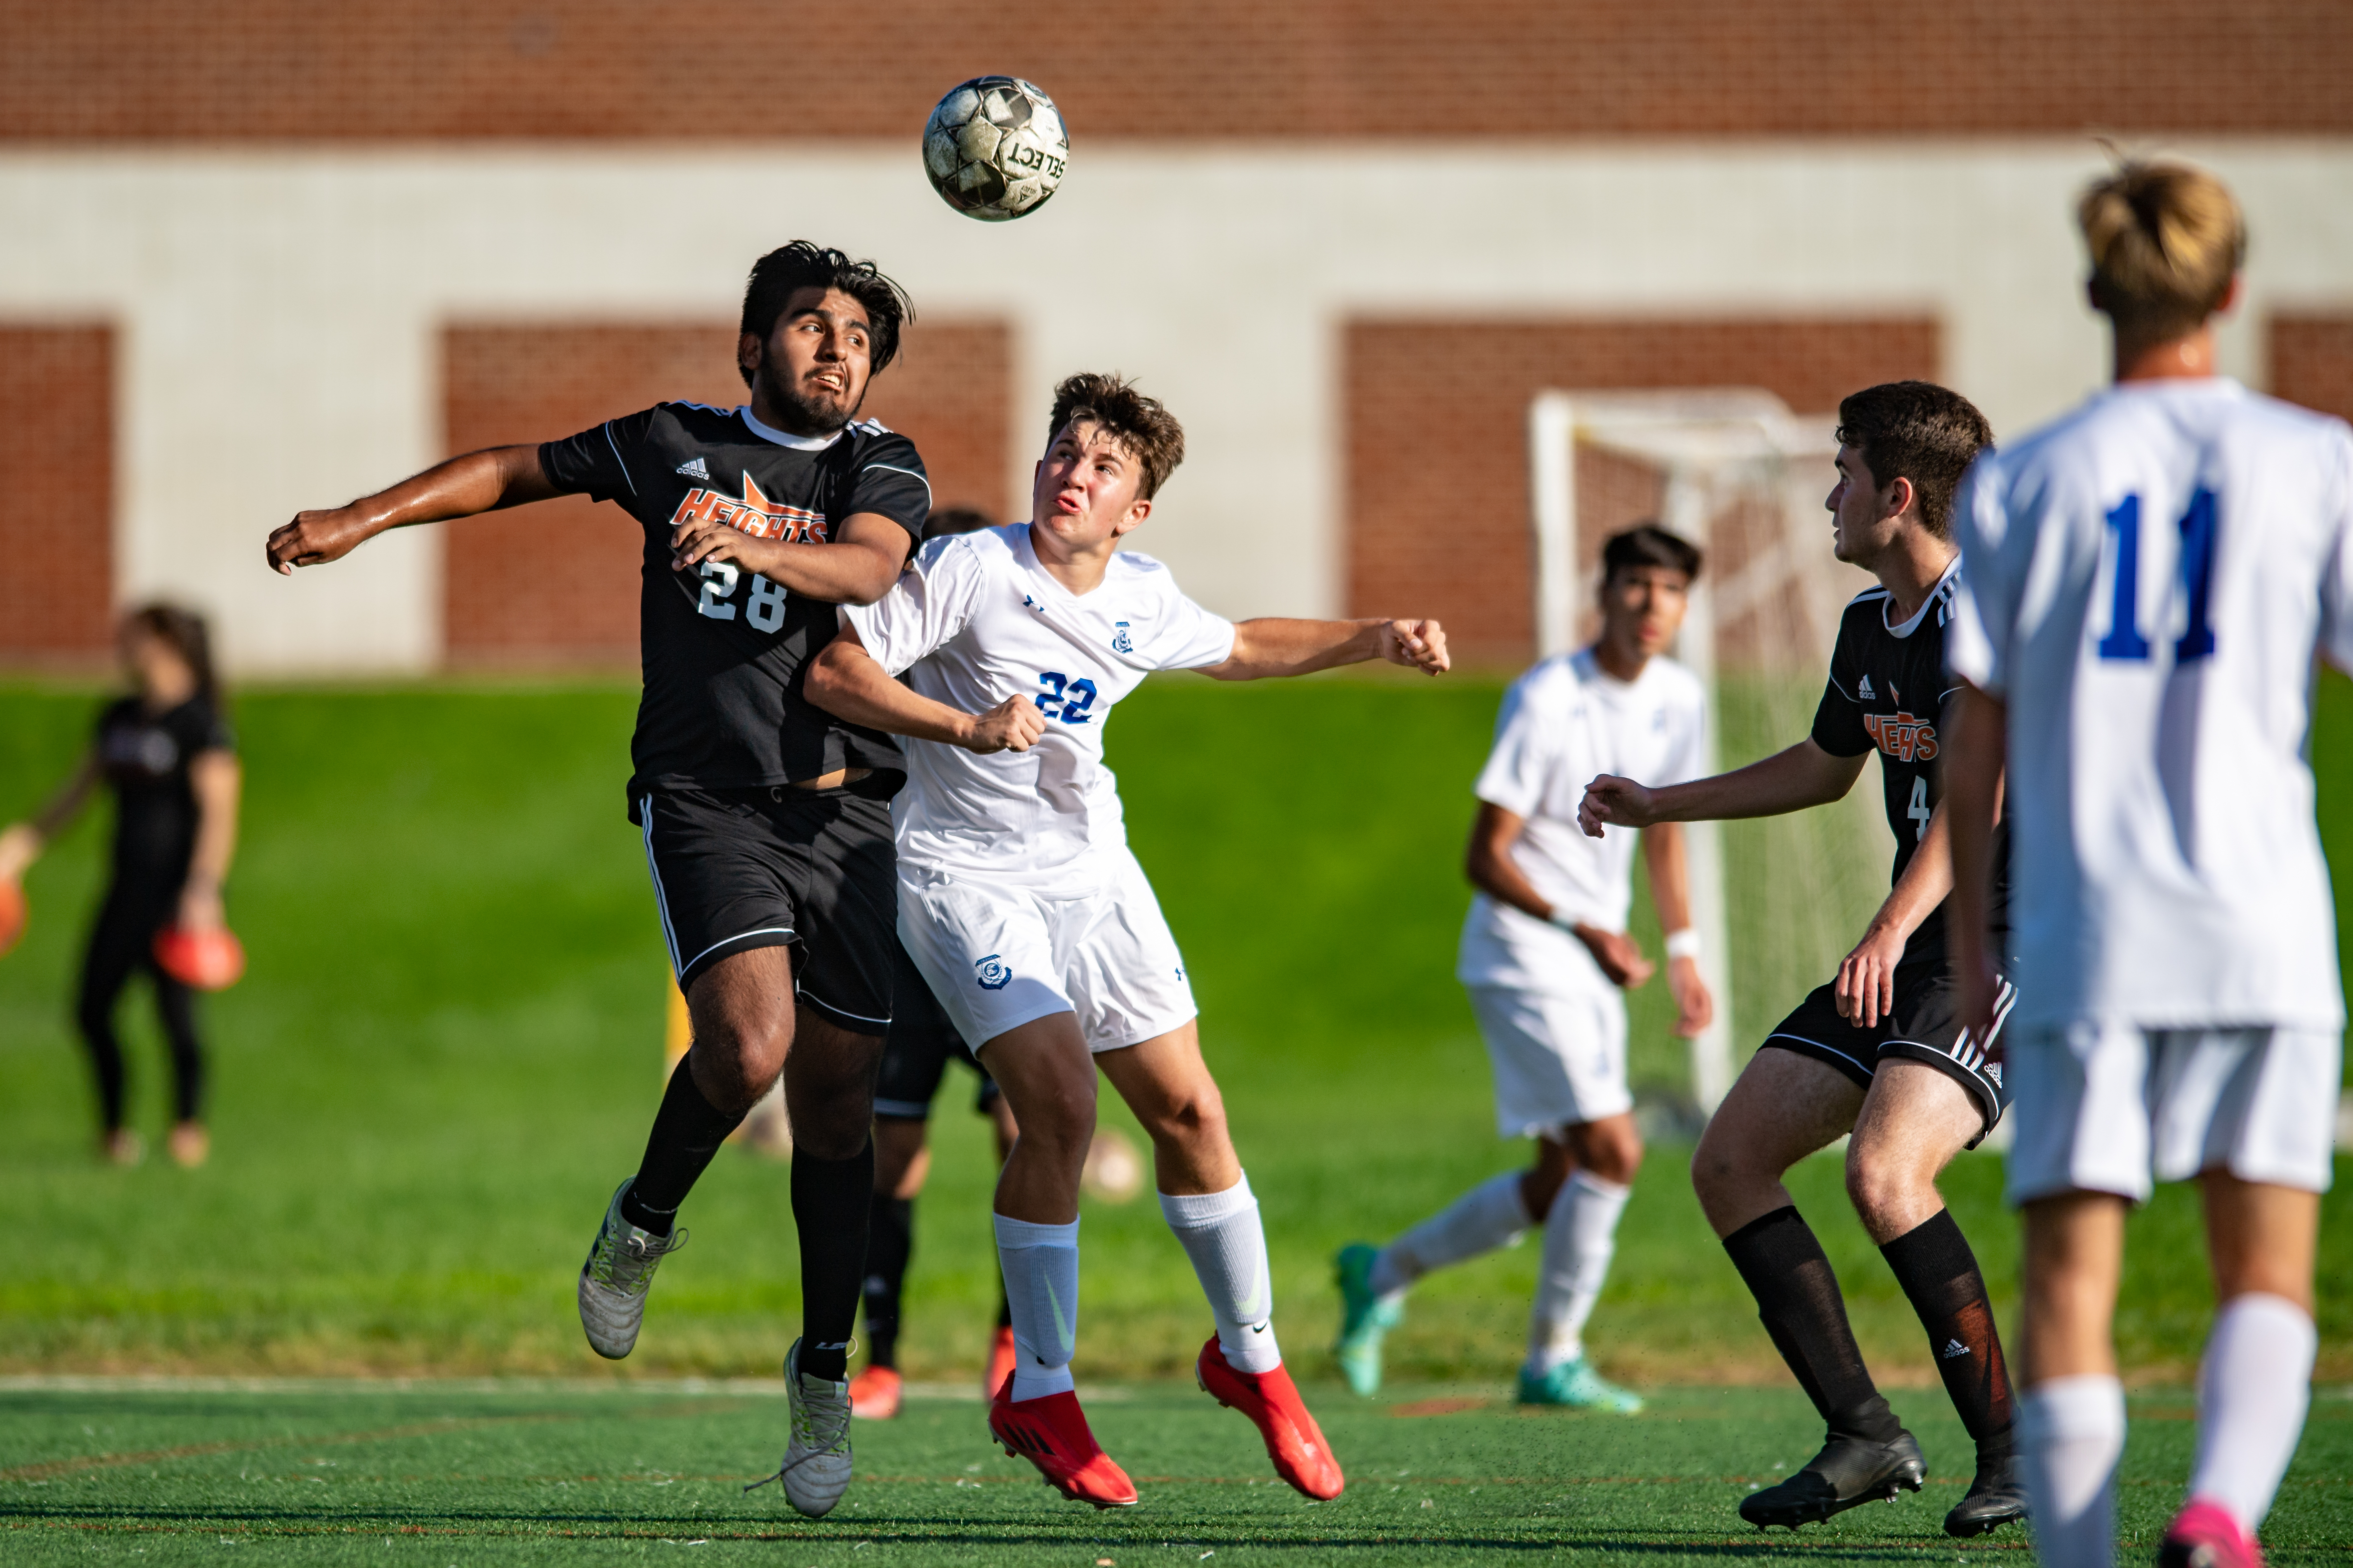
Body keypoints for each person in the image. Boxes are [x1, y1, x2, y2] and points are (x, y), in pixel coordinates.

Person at [264, 242, 929, 1520]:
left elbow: (866, 566)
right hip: (702, 801)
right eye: (808, 324)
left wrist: (749, 537)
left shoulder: (874, 464)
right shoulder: (670, 442)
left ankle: (823, 1367)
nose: (835, 346)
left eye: (856, 332)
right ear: (751, 346)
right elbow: (515, 467)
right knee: (747, 1047)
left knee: (840, 1111)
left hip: (846, 813)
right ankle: (642, 1217)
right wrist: (362, 516)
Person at [805, 372, 1449, 1507]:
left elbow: (1239, 644)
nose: (1073, 472)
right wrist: (961, 722)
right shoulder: (971, 568)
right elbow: (836, 667)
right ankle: (1038, 1388)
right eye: (1063, 449)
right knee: (1057, 1103)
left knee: (1193, 1111)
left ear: (1131, 511)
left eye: (1102, 466)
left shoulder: (1139, 593)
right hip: (964, 876)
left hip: (1094, 876)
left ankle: (1248, 1356)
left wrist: (1372, 637)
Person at [1944, 161, 2346, 1568]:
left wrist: (1967, 945)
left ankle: (2078, 1559)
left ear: (2089, 292)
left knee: (2066, 1273)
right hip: (2261, 928)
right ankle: (2216, 1513)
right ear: (2231, 292)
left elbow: (1967, 734)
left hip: (2079, 931)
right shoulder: (2315, 460)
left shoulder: (2019, 482)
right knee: (2266, 1267)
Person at [1580, 382, 2026, 1538]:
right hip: (1910, 934)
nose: (1823, 494)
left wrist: (1883, 929)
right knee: (1729, 1157)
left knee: (1884, 1172)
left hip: (2004, 937)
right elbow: (1824, 766)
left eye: (1838, 472)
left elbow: (1974, 802)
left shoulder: (1982, 615)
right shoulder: (1864, 625)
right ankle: (1863, 1431)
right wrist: (1654, 804)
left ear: (1893, 492)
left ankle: (2011, 1450)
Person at [1332, 524, 1714, 1412]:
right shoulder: (1547, 696)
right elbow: (1484, 857)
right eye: (1635, 584)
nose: (1650, 604)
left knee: (1559, 1179)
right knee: (1614, 1150)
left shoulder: (1681, 699)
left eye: (1669, 590)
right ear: (1604, 590)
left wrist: (1684, 952)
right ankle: (1552, 1359)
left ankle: (1379, 1274)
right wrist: (1586, 927)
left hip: (1593, 957)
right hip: (1521, 952)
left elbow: (1661, 833)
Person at [850, 502, 1021, 1422]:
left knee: (1028, 1133)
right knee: (895, 1159)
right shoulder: (879, 665)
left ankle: (1014, 1343)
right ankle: (882, 1360)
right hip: (909, 941)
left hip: (1002, 933)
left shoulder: (1016, 663)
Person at [0, 606, 241, 1169]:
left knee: (175, 1017)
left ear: (163, 643)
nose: (123, 646)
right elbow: (75, 793)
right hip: (125, 888)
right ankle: (114, 1131)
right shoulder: (119, 718)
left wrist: (204, 890)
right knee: (91, 1010)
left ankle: (187, 1128)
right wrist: (16, 849)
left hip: (178, 895)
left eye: (134, 637)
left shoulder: (201, 724)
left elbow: (219, 814)